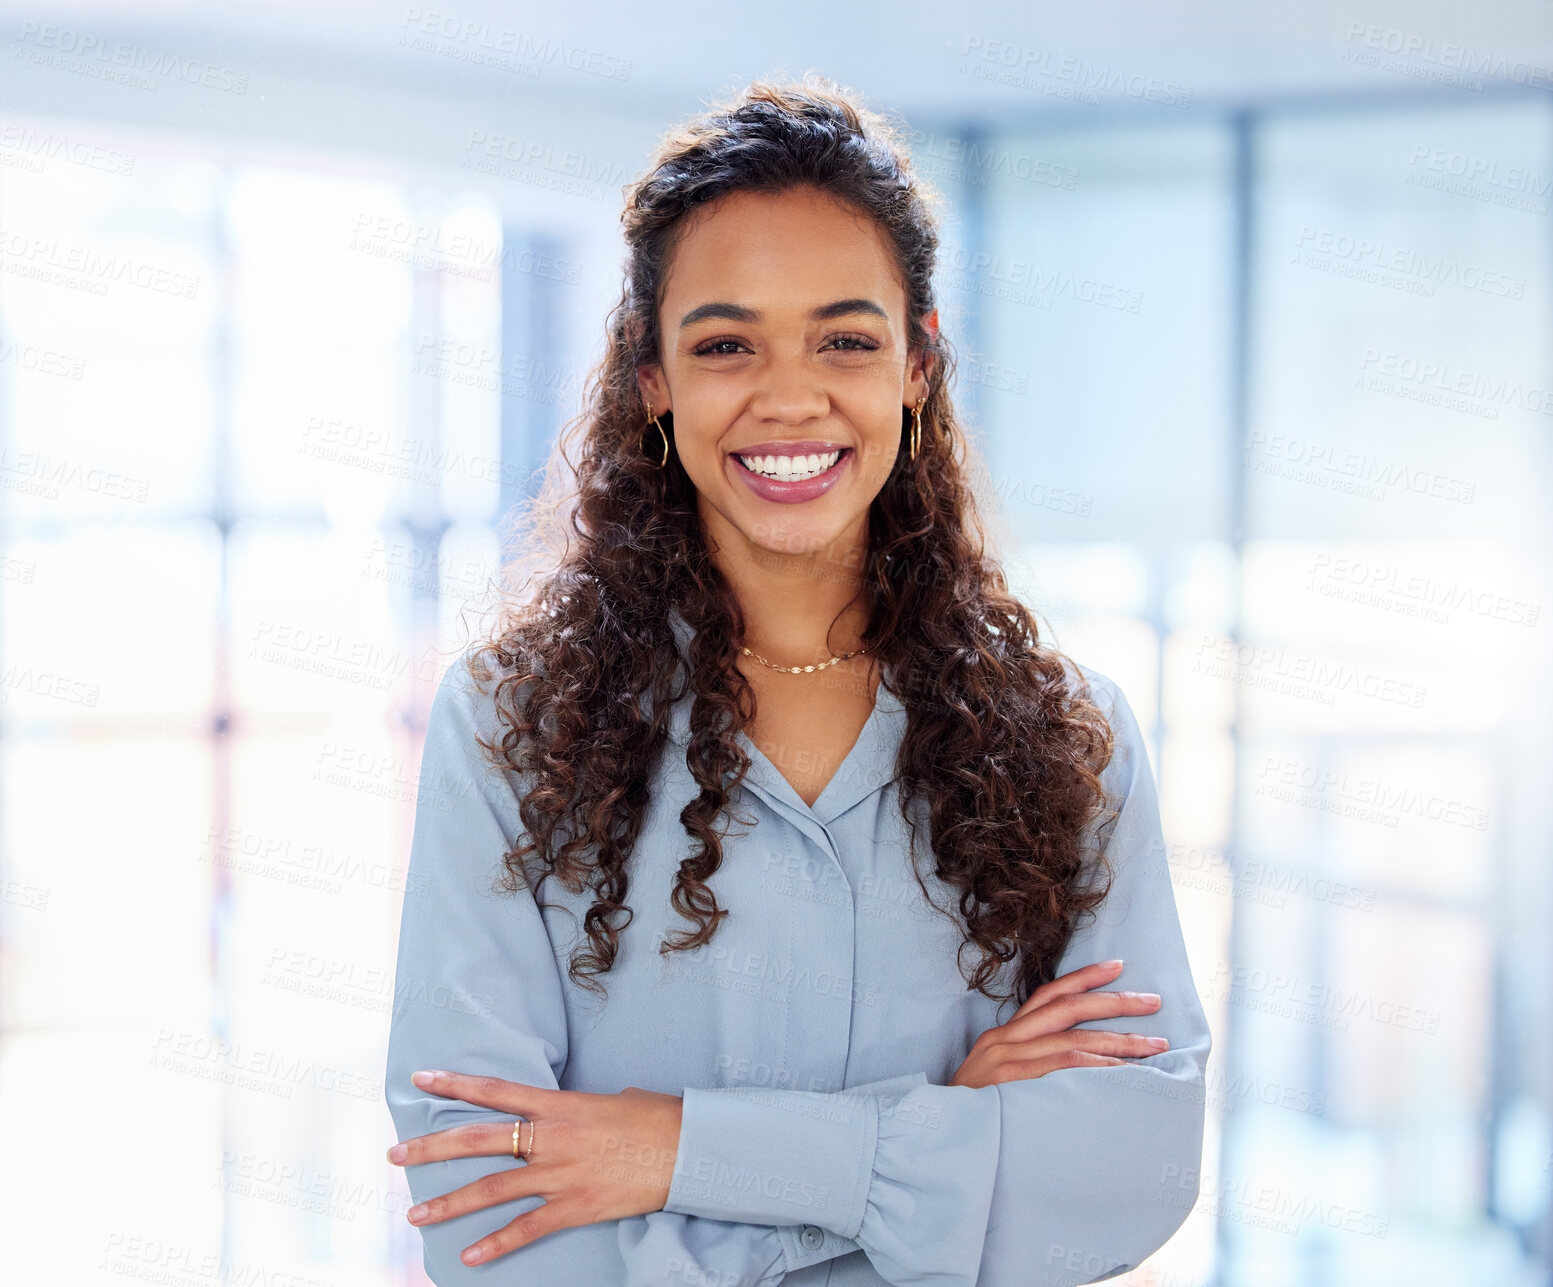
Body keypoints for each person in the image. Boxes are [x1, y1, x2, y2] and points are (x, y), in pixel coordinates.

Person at [383, 74, 1211, 1287]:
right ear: (652, 380)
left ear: (917, 367)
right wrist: (940, 1140)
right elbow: (479, 1205)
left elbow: (1122, 1174)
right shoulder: (510, 728)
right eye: (725, 344)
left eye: (844, 339)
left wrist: (671, 1152)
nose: (788, 396)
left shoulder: (1066, 735)